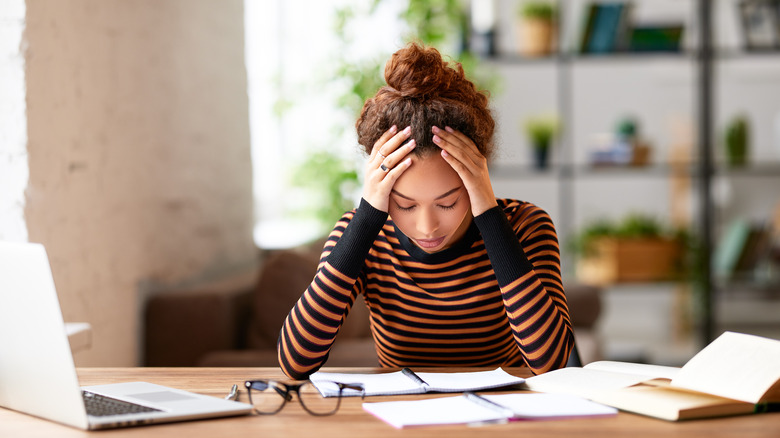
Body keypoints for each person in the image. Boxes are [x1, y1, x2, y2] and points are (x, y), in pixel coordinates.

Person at [278, 42, 573, 380]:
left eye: (447, 202)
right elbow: (295, 362)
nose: (427, 226)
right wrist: (366, 217)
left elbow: (552, 364)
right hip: (398, 420)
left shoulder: (525, 226)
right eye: (405, 204)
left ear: (478, 177)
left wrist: (488, 215)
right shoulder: (361, 234)